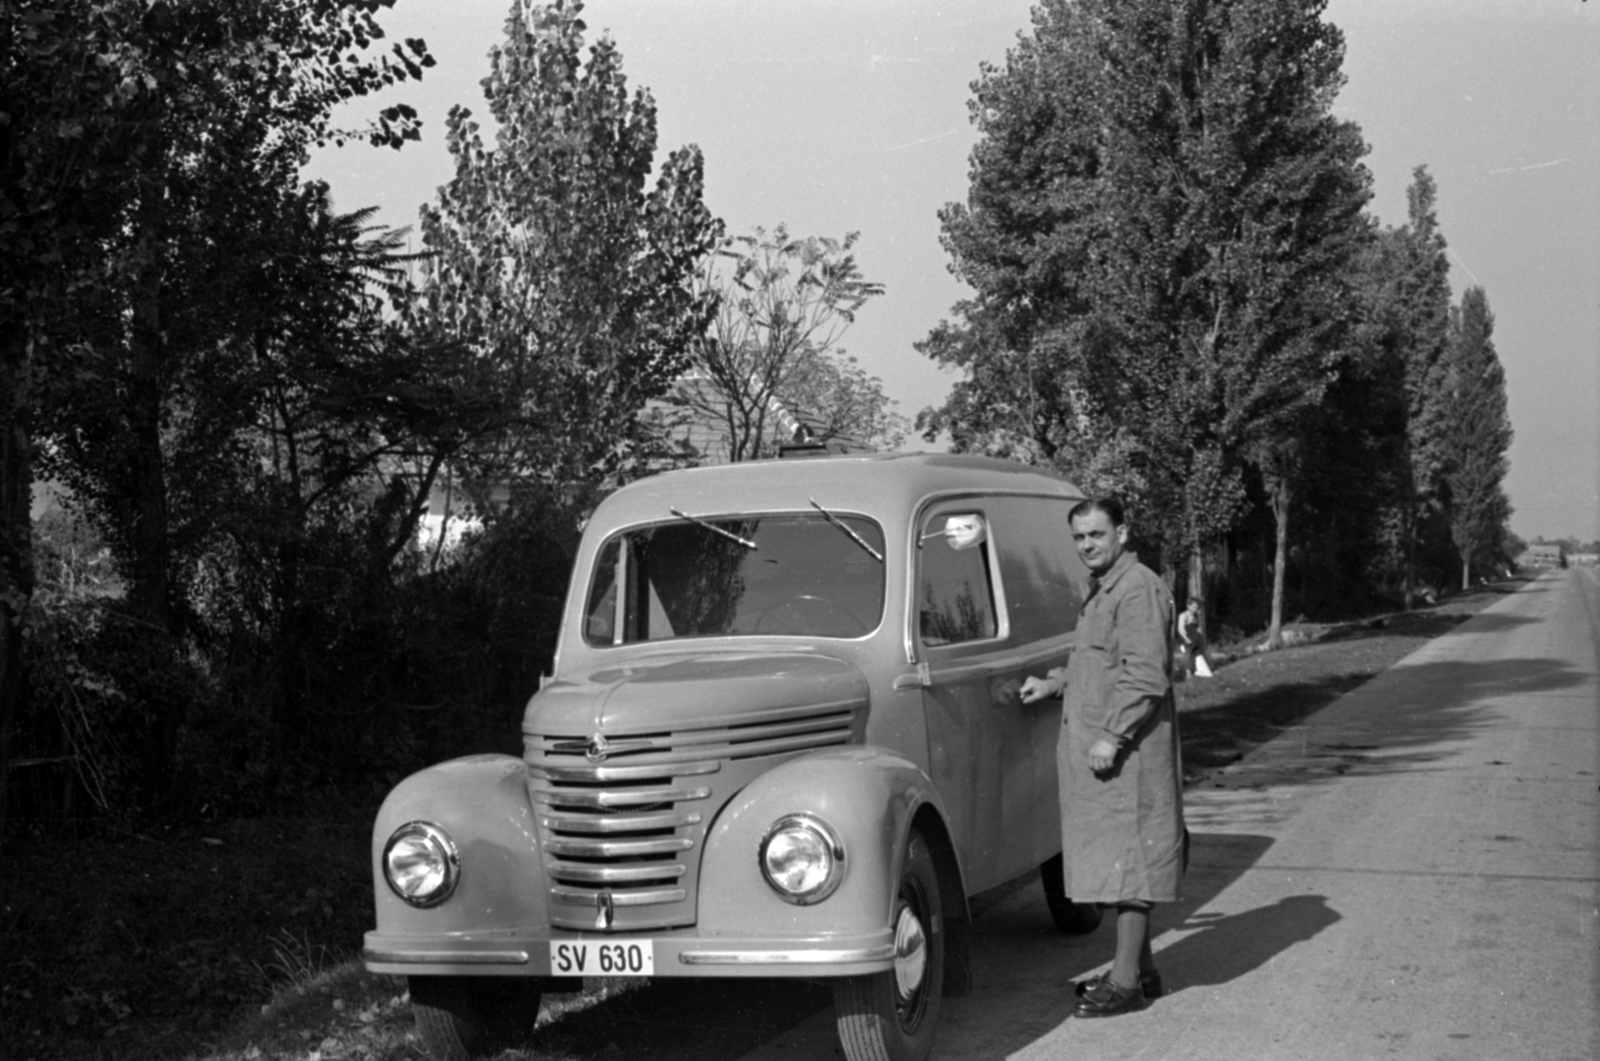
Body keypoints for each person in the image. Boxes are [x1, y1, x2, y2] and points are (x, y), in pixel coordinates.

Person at [1020, 498, 1186, 1018]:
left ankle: (1125, 984)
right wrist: (1054, 683)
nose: (1087, 544)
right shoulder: (1106, 588)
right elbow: (1102, 665)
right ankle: (1141, 972)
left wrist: (1112, 736)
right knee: (1123, 858)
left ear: (1122, 532)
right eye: (1079, 537)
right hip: (1110, 752)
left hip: (1128, 753)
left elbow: (1145, 677)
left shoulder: (1136, 589)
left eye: (1096, 534)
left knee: (1131, 862)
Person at [1176, 597, 1214, 678]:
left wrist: (1201, 637)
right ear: (1188, 606)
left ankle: (1208, 669)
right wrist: (1186, 638)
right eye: (1193, 607)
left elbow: (1197, 628)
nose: (1195, 609)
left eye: (1197, 608)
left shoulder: (1195, 616)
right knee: (1188, 654)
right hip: (1187, 637)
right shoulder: (1183, 616)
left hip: (1196, 638)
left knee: (1202, 652)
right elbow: (1180, 629)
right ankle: (1188, 671)